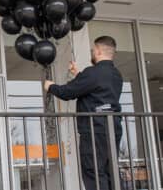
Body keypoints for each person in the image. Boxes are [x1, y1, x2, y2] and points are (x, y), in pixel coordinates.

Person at [44, 36, 123, 190]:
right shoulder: (116, 75)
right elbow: (96, 89)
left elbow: (67, 92)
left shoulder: (93, 73)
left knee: (93, 171)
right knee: (110, 171)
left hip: (94, 130)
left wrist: (51, 86)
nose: (92, 53)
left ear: (99, 51)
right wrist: (79, 74)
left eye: (93, 50)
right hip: (114, 129)